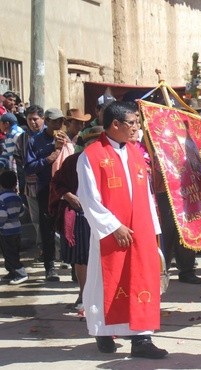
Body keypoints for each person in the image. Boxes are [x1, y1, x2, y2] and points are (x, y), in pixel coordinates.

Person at [76, 101, 167, 359]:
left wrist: (154, 229)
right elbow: (88, 197)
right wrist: (114, 226)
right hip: (110, 234)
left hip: (140, 231)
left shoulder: (136, 153)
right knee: (108, 283)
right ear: (115, 124)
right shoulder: (91, 156)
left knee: (142, 281)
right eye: (133, 122)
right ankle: (104, 331)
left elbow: (147, 195)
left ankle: (142, 339)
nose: (137, 128)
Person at [49, 126, 104, 311]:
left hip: (105, 215)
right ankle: (83, 293)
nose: (94, 146)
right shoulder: (73, 161)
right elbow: (57, 183)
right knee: (82, 258)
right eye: (90, 143)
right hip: (80, 214)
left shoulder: (109, 162)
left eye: (98, 142)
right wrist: (68, 196)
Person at [25, 108, 68, 282]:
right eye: (55, 121)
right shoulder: (35, 141)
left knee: (68, 225)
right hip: (46, 188)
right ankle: (50, 267)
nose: (58, 124)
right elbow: (29, 167)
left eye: (60, 121)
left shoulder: (65, 138)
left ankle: (70, 260)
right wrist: (50, 157)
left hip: (65, 188)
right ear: (47, 121)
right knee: (47, 228)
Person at [14, 105, 45, 253]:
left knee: (52, 218)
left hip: (50, 185)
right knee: (36, 219)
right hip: (31, 185)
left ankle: (57, 250)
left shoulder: (51, 134)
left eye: (35, 119)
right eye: (29, 119)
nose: (33, 122)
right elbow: (18, 160)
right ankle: (42, 248)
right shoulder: (23, 138)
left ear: (43, 119)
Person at [0, 170, 27, 285]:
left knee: (9, 253)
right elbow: (22, 212)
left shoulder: (2, 198)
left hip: (6, 231)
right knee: (13, 252)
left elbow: (2, 216)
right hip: (17, 229)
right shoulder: (16, 197)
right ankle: (12, 272)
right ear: (15, 184)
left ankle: (21, 273)